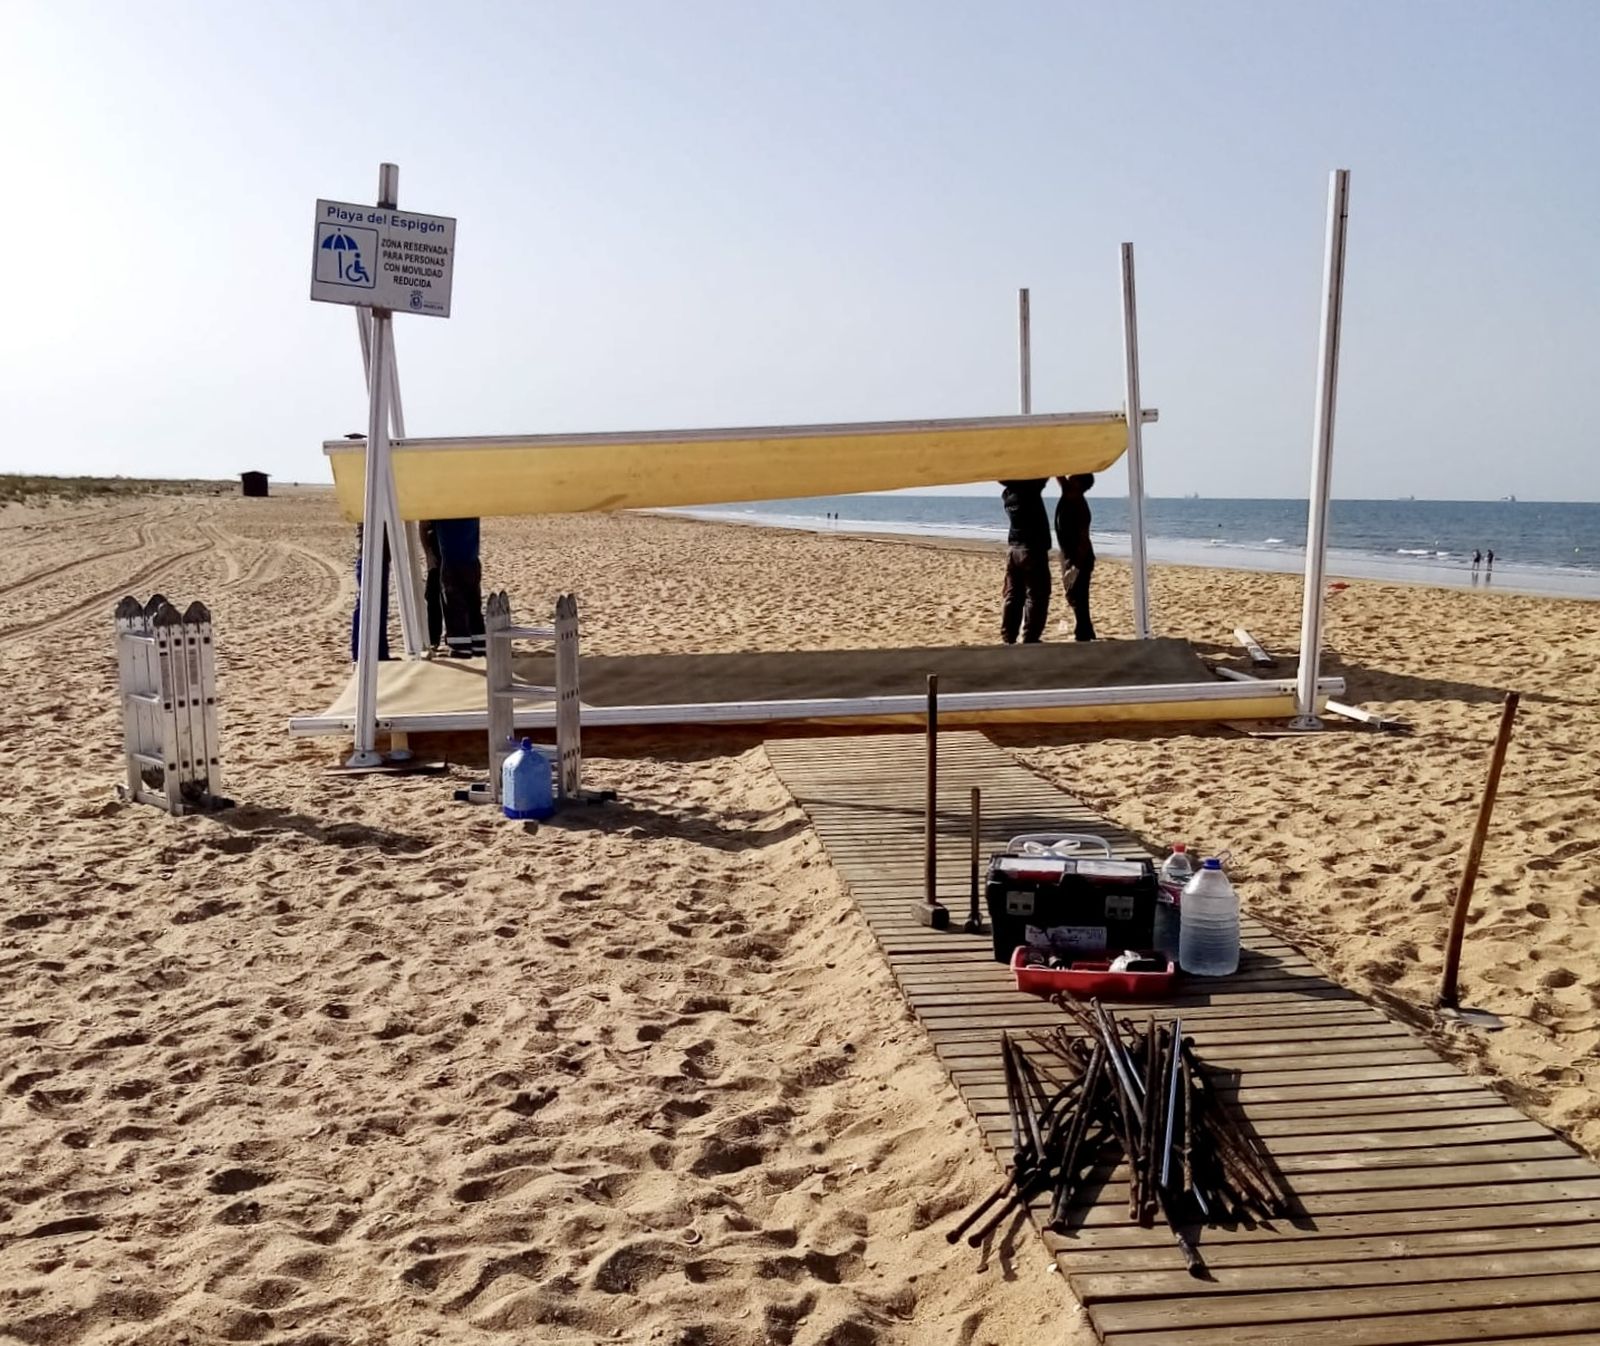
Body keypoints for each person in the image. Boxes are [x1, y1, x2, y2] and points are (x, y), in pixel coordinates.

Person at [999, 479, 1051, 643]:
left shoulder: (1007, 495)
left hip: (1013, 550)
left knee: (1013, 595)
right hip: (1031, 550)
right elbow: (1044, 475)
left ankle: (1008, 636)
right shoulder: (1029, 491)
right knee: (1036, 596)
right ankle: (1030, 637)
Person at [434, 517, 486, 657]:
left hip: (452, 562)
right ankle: (479, 643)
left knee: (454, 605)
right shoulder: (471, 509)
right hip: (472, 561)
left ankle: (460, 647)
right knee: (473, 603)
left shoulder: (445, 510)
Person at [1054, 474, 1096, 641]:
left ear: (1079, 484)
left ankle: (1083, 633)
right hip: (1067, 554)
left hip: (1080, 557)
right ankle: (1086, 631)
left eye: (1075, 477)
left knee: (1078, 596)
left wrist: (1076, 567)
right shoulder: (1067, 491)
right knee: (1073, 595)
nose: (1070, 477)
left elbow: (1084, 541)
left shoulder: (1080, 507)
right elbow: (1058, 474)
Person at [350, 524, 392, 662]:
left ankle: (380, 654)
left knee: (380, 605)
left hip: (380, 555)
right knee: (368, 604)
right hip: (370, 555)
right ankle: (362, 654)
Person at [420, 520, 445, 651]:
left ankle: (453, 637)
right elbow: (423, 527)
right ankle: (433, 638)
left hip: (450, 552)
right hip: (436, 554)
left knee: (451, 596)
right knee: (432, 595)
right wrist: (428, 554)